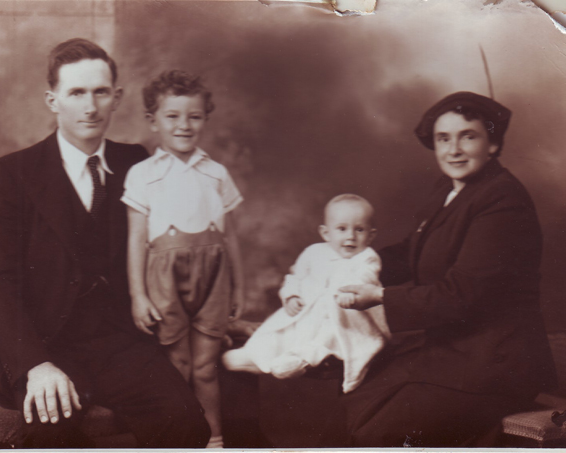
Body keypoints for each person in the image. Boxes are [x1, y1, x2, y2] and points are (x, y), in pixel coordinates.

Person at [0, 38, 210, 448]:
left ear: (116, 97)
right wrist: (36, 365)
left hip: (118, 344)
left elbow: (182, 242)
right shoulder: (9, 175)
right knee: (51, 431)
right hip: (44, 344)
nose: (90, 107)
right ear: (52, 100)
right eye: (77, 93)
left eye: (100, 92)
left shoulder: (138, 163)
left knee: (186, 423)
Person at [338, 92, 557, 447]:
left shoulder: (503, 201)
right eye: (443, 139)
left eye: (467, 136)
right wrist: (347, 266)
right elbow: (411, 251)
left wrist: (378, 296)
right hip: (452, 351)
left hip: (495, 364)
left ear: (493, 144)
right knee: (353, 393)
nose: (453, 150)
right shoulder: (449, 189)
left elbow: (460, 296)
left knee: (375, 429)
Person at [122, 69, 245, 449]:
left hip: (214, 279)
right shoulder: (142, 175)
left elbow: (231, 237)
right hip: (164, 281)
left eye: (194, 116)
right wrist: (138, 296)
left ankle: (214, 441)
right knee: (179, 365)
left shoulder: (217, 173)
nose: (184, 125)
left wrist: (240, 287)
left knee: (206, 368)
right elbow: (136, 239)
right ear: (153, 121)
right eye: (172, 116)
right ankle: (179, 442)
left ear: (205, 118)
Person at [223, 194, 391, 393]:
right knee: (280, 330)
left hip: (345, 317)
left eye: (359, 230)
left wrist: (351, 295)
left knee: (327, 337)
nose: (351, 237)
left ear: (371, 236)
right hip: (309, 312)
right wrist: (291, 296)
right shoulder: (314, 253)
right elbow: (295, 276)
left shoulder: (367, 258)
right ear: (326, 233)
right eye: (342, 229)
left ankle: (300, 361)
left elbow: (366, 278)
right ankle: (254, 355)